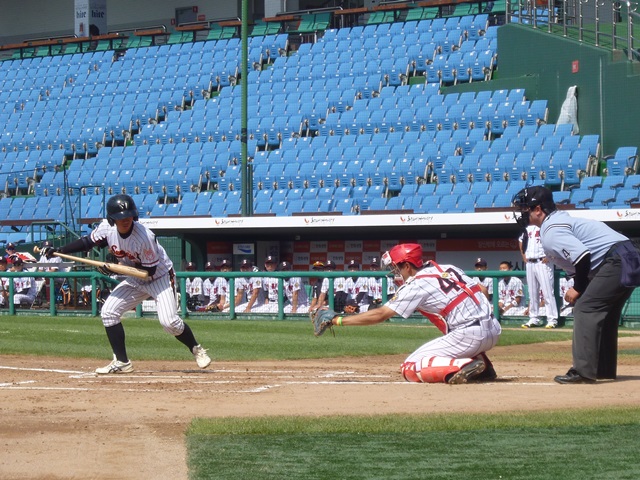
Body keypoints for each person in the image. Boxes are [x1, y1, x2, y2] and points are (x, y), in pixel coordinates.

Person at [40, 194, 211, 374]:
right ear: (112, 219)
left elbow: (148, 272)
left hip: (159, 277)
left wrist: (114, 269)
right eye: (120, 217)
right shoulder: (107, 228)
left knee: (169, 323)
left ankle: (196, 348)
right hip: (135, 278)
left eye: (129, 215)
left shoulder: (144, 236)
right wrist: (59, 251)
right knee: (108, 313)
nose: (125, 220)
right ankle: (122, 362)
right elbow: (87, 242)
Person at [314, 243, 501, 384]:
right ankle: (484, 367)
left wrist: (339, 320)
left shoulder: (416, 283)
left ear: (408, 266)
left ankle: (463, 366)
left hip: (469, 335)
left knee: (409, 368)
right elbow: (483, 290)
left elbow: (380, 315)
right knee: (449, 323)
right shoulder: (446, 267)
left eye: (397, 267)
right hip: (493, 328)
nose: (395, 272)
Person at [513, 185, 640, 384]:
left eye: (525, 208)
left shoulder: (551, 230)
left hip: (615, 259)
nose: (521, 213)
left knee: (586, 309)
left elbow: (582, 256)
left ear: (538, 209)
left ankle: (583, 371)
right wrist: (581, 286)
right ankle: (601, 369)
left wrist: (578, 289)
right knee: (603, 313)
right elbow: (580, 266)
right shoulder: (559, 220)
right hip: (626, 255)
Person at [519, 225, 559, 329]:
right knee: (532, 294)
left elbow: (556, 240)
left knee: (548, 293)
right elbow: (521, 241)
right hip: (530, 262)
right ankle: (533, 318)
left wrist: (550, 255)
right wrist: (523, 255)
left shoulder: (547, 226)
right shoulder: (528, 228)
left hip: (542, 262)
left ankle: (552, 319)